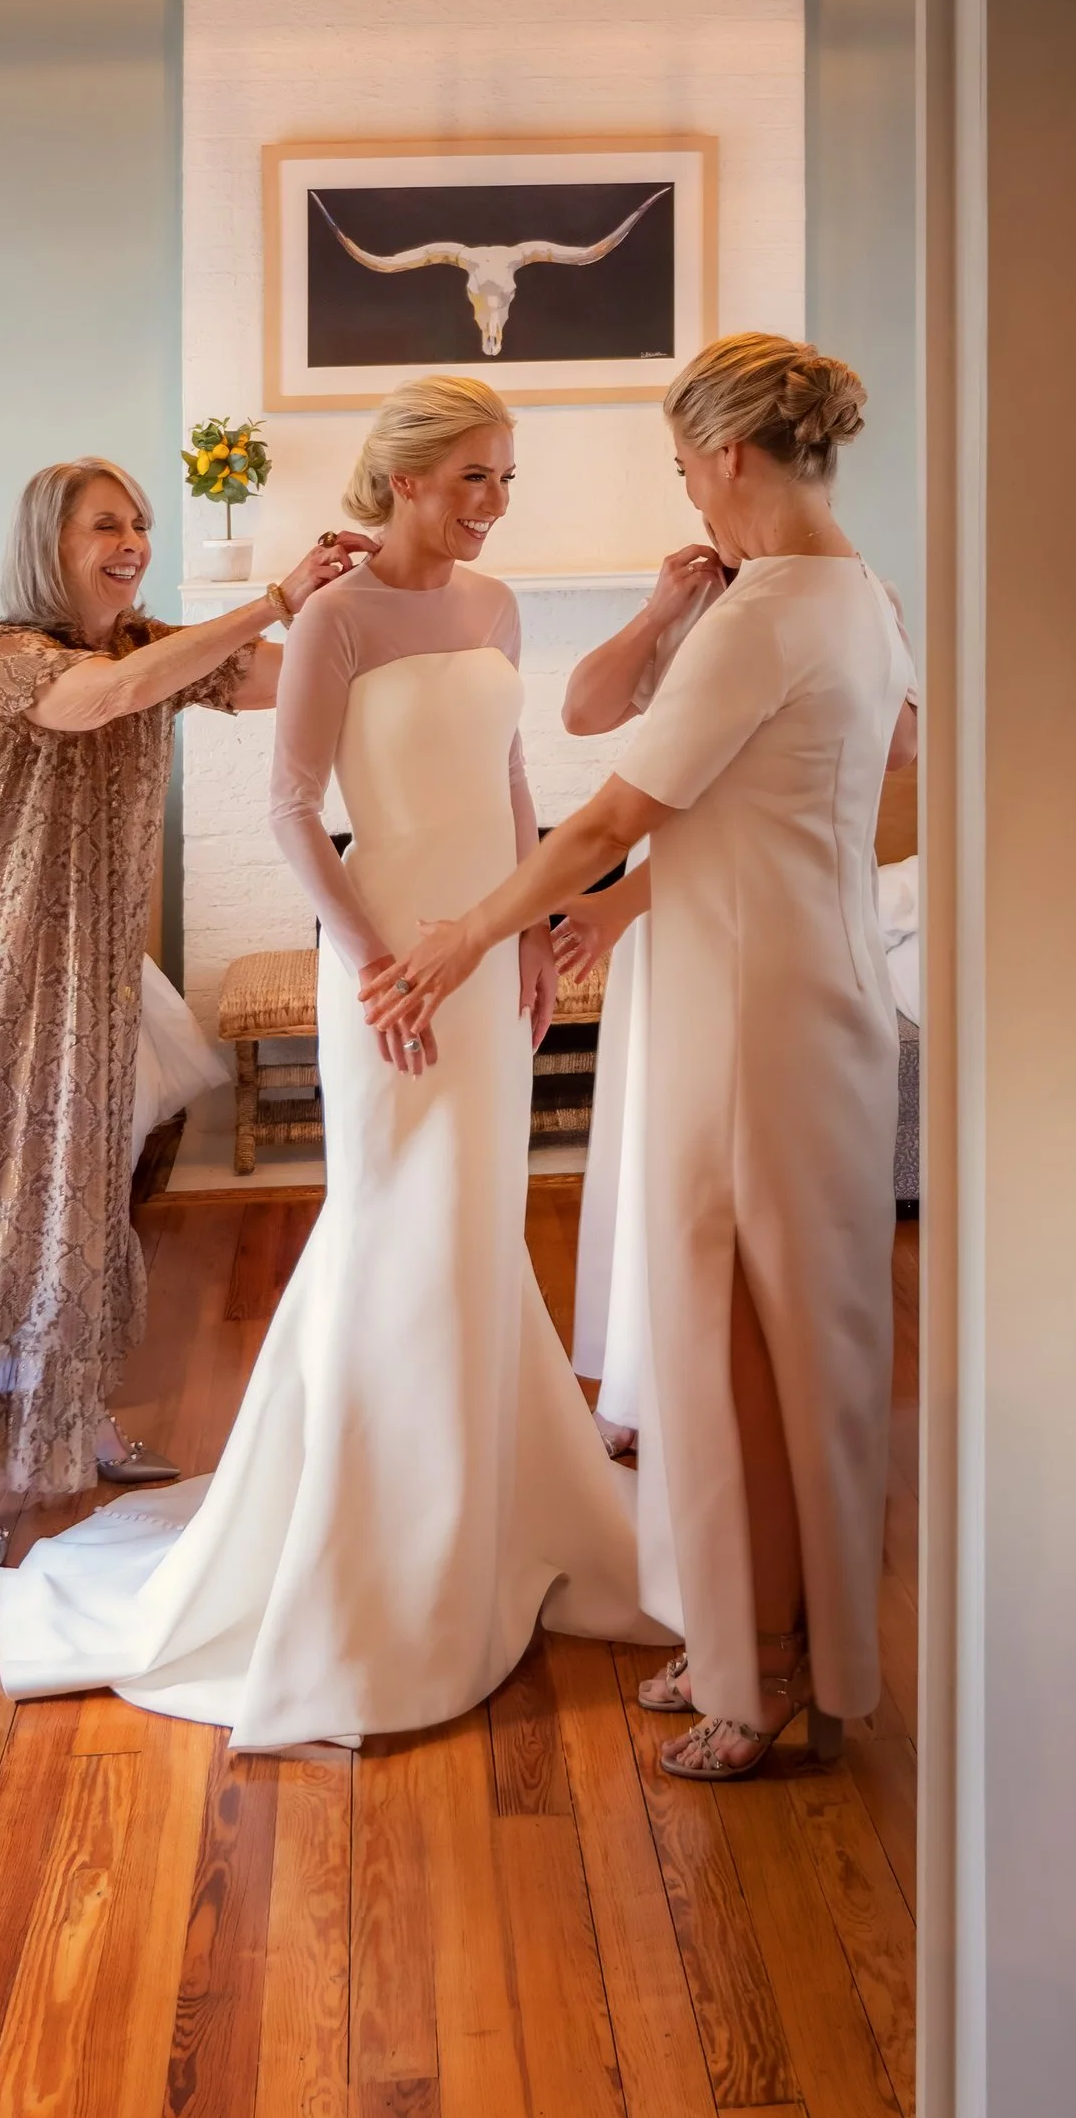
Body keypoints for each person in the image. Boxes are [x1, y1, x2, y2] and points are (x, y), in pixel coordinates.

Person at [0, 376, 656, 1745]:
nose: (494, 504)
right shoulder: (339, 618)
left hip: (484, 949)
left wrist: (527, 927)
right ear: (403, 478)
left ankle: (490, 1517)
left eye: (507, 479)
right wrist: (367, 965)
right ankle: (371, 1557)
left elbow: (517, 780)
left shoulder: (497, 607)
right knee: (391, 1225)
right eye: (474, 477)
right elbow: (294, 811)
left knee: (475, 1223)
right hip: (393, 952)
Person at [378, 334, 916, 1781]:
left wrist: (468, 936)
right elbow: (838, 796)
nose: (688, 495)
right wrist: (618, 914)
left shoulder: (762, 616)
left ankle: (759, 1676)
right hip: (823, 1003)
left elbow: (612, 810)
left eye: (684, 466)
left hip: (745, 1025)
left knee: (723, 1341)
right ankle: (771, 1646)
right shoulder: (863, 601)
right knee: (797, 1346)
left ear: (731, 454)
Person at [0, 458, 367, 1581]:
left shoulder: (150, 649)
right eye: (107, 524)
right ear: (48, 546)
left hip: (93, 963)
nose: (134, 539)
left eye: (141, 523)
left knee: (87, 1185)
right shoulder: (8, 660)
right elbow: (98, 701)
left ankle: (77, 1417)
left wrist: (386, 604)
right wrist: (275, 595)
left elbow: (285, 681)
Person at [555, 543, 731, 1457]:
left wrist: (615, 900)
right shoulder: (696, 605)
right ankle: (636, 1381)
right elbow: (581, 709)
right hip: (666, 914)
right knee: (649, 1152)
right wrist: (661, 609)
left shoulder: (833, 604)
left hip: (724, 902)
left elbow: (895, 752)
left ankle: (713, 1392)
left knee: (705, 1156)